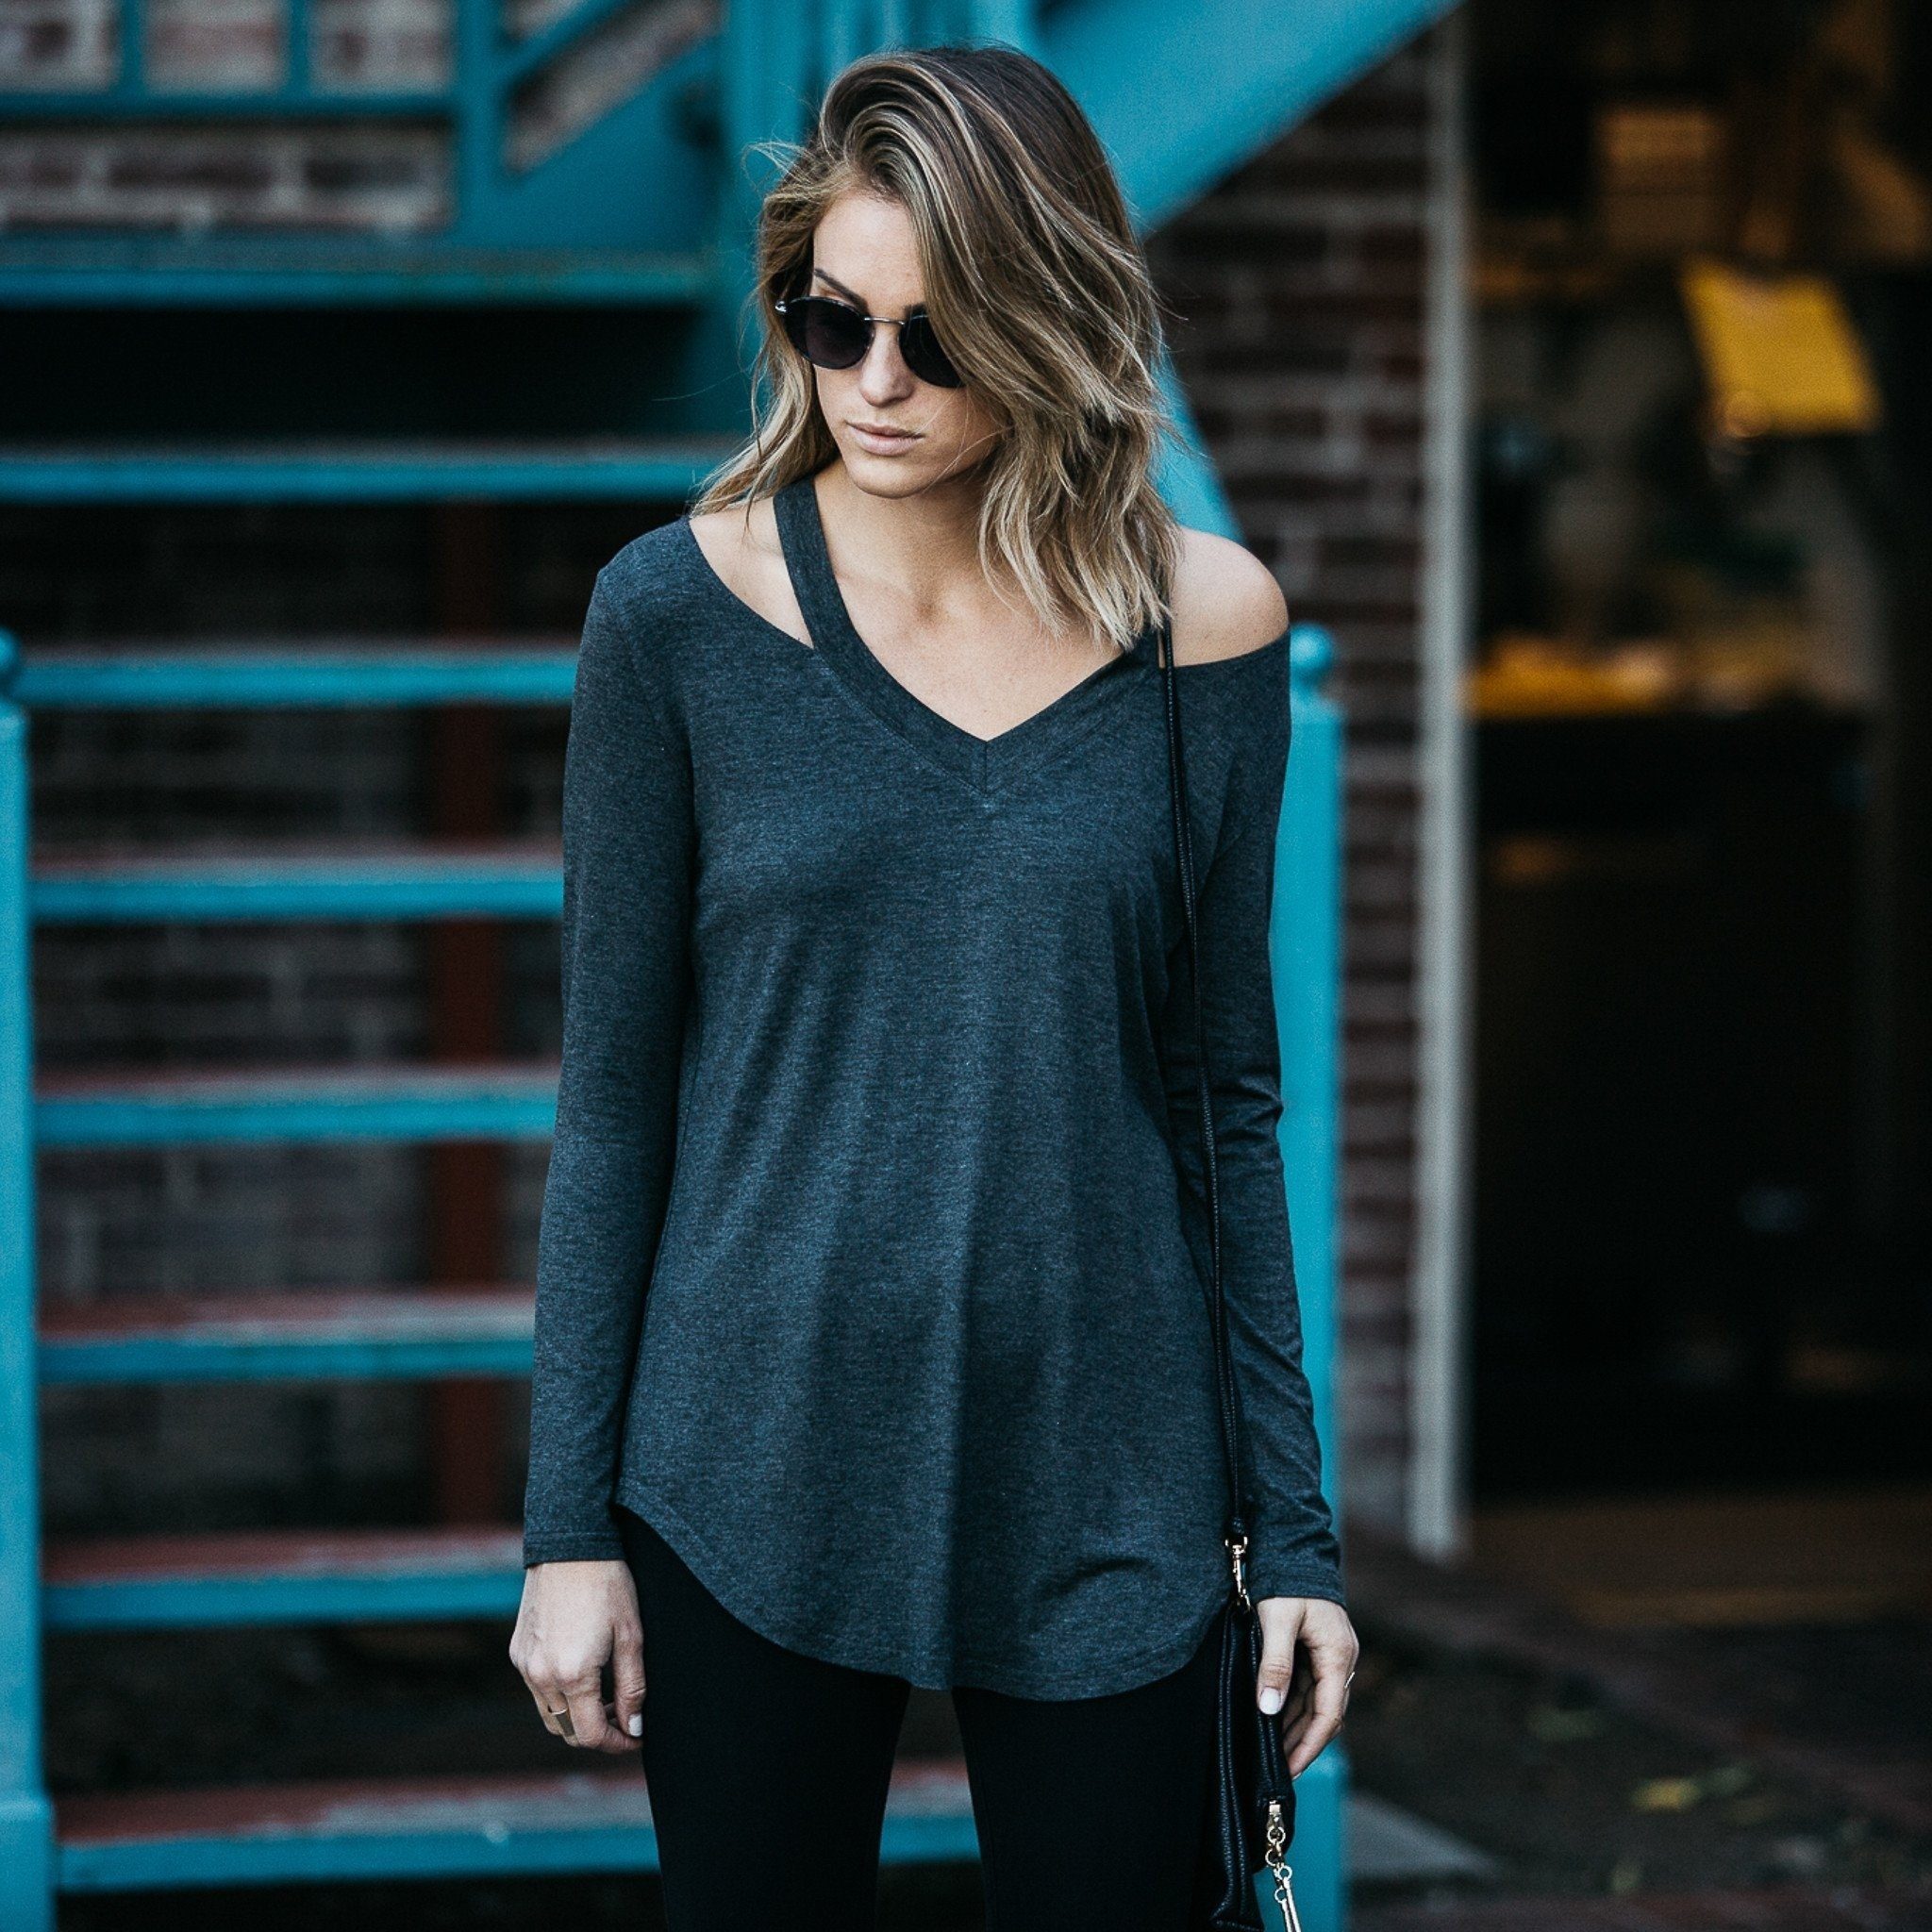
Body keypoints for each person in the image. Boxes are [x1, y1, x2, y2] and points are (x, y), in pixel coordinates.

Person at [508, 40, 1358, 1931]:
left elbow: (1227, 1097)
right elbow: (615, 1101)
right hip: (749, 1450)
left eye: (942, 337)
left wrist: (1288, 1535)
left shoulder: (1202, 627)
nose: (876, 385)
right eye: (833, 322)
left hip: (1112, 1473)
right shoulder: (674, 615)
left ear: (1049, 327)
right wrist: (569, 1529)